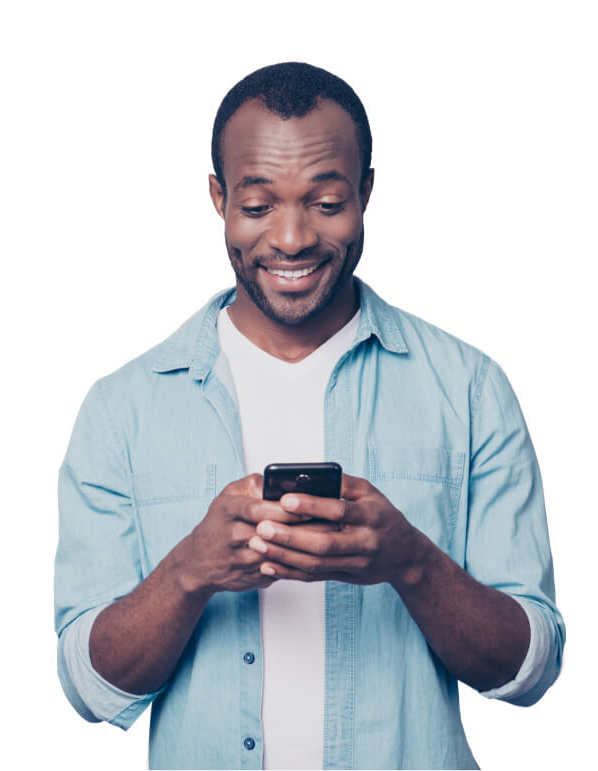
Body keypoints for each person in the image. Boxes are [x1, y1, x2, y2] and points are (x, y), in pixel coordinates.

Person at [54, 62, 565, 770]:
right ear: (218, 197)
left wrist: (410, 561)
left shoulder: (470, 388)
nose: (291, 239)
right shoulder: (123, 408)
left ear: (366, 193)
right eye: (258, 206)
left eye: (326, 203)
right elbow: (88, 688)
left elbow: (531, 670)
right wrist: (188, 572)